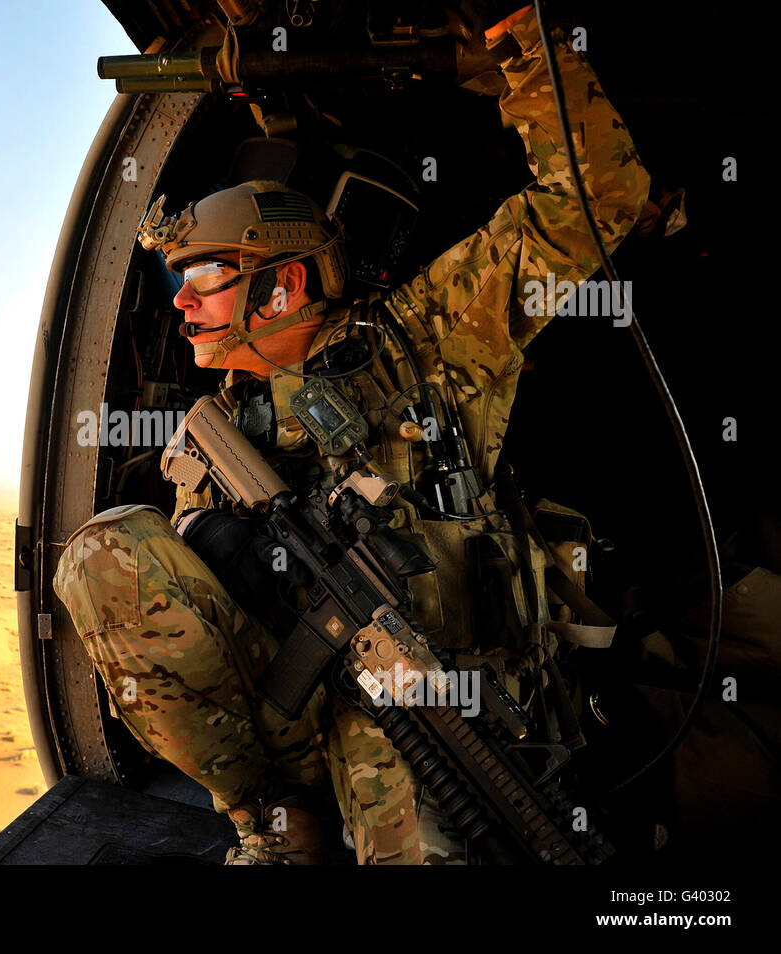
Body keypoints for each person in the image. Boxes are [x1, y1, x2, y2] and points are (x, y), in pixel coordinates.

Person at [52, 4, 651, 864]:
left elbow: (599, 197)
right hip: (297, 709)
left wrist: (519, 44)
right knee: (104, 554)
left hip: (430, 695)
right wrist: (211, 538)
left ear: (285, 287)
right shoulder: (225, 421)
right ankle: (270, 820)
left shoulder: (429, 336)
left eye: (206, 277)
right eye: (176, 280)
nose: (180, 303)